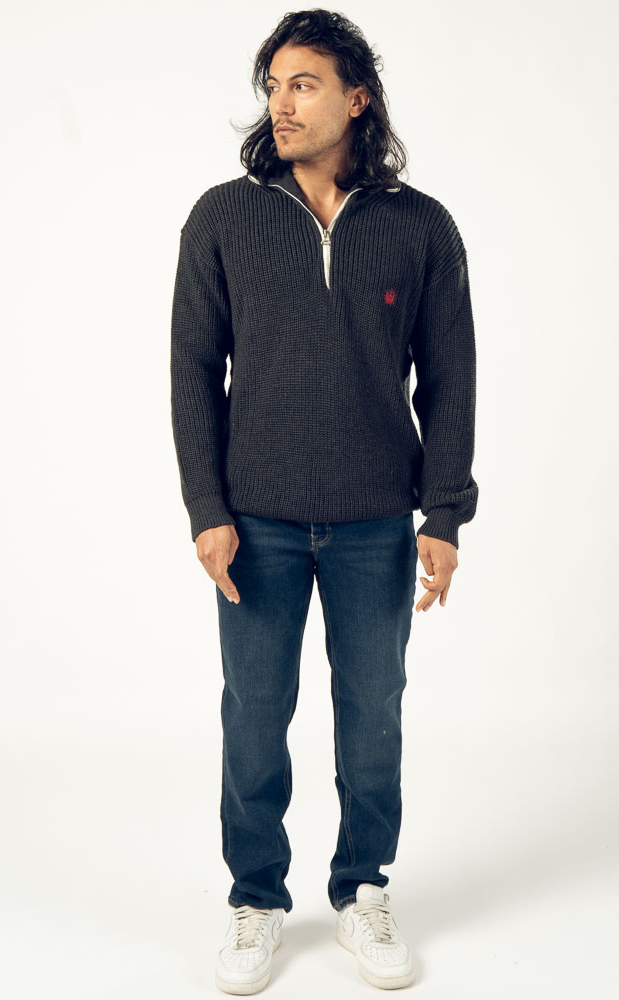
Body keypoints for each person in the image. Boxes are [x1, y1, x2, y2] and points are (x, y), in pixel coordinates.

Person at [170, 9, 478, 994]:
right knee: (254, 717)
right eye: (272, 85)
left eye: (301, 83)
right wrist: (206, 509)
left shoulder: (419, 227)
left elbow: (450, 380)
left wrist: (443, 514)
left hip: (376, 523)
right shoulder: (224, 218)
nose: (280, 102)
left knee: (371, 715)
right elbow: (192, 370)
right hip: (254, 522)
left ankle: (362, 888)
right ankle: (255, 898)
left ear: (357, 98)